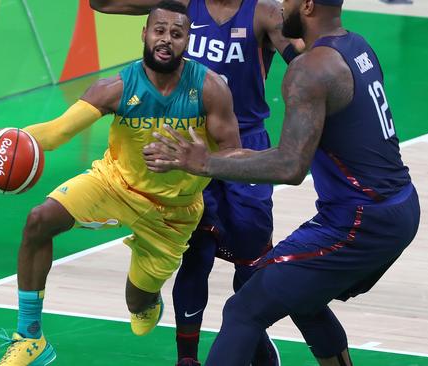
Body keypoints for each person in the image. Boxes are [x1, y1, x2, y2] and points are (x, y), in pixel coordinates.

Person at [143, 0, 421, 364]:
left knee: (243, 309)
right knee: (301, 297)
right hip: (397, 205)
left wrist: (205, 162)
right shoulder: (357, 45)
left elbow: (290, 167)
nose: (280, 5)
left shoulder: (310, 70)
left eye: (287, 0)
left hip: (360, 220)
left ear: (306, 5)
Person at [0, 2, 241, 365]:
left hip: (173, 214)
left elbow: (235, 155)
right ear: (144, 34)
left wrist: (199, 160)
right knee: (38, 220)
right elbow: (55, 133)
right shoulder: (115, 88)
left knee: (137, 305)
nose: (166, 39)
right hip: (113, 184)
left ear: (188, 41)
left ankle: (147, 301)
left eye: (176, 33)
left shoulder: (209, 89)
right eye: (159, 30)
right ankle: (30, 337)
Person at [91, 0, 302, 364]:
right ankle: (186, 357)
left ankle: (252, 337)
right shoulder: (183, 5)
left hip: (243, 146)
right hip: (187, 145)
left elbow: (304, 66)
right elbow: (103, 3)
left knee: (252, 259)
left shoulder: (264, 13)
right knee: (196, 255)